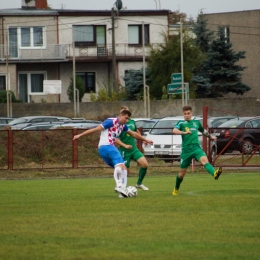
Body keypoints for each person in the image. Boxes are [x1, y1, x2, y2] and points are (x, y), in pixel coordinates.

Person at [73, 109, 153, 198]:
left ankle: (122, 193)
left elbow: (133, 134)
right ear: (120, 115)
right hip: (106, 146)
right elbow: (96, 129)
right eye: (125, 118)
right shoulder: (111, 121)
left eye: (128, 119)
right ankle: (119, 186)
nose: (126, 121)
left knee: (123, 168)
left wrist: (146, 140)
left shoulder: (123, 126)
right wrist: (80, 135)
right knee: (120, 165)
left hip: (106, 149)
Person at [172, 106, 222, 195]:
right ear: (183, 114)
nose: (187, 115)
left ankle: (214, 173)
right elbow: (174, 130)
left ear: (191, 114)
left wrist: (210, 137)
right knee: (181, 174)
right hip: (186, 150)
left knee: (205, 161)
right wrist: (184, 132)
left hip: (196, 148)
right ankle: (176, 189)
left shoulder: (196, 123)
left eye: (188, 113)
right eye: (185, 114)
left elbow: (203, 131)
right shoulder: (181, 123)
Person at [115, 106, 149, 191]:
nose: (125, 115)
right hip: (124, 150)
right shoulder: (117, 124)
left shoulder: (132, 122)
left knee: (145, 164)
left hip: (134, 149)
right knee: (125, 172)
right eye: (123, 112)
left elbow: (136, 132)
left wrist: (143, 139)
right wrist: (124, 145)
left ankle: (139, 183)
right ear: (120, 114)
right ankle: (120, 187)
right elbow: (115, 138)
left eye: (126, 112)